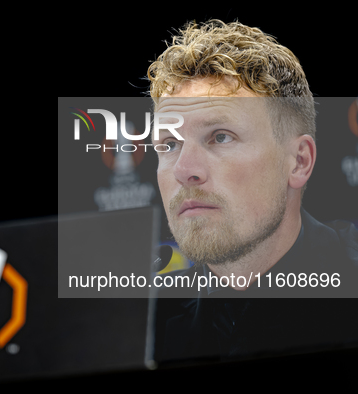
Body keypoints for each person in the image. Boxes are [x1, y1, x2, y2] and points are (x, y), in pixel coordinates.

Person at [147, 19, 358, 362]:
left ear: (299, 162)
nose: (185, 171)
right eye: (169, 145)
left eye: (220, 137)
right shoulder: (139, 323)